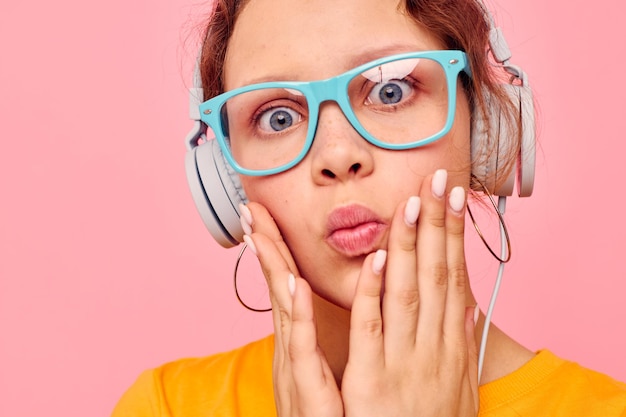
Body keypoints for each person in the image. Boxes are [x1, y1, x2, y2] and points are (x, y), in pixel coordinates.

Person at [112, 0, 626, 415]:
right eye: (277, 118)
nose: (338, 156)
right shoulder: (166, 406)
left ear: (483, 126)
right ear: (228, 180)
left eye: (390, 89)